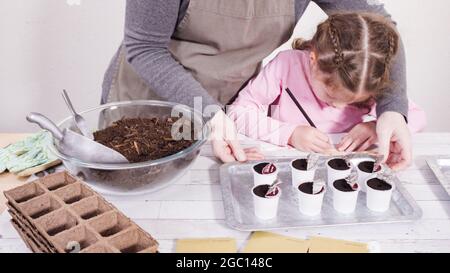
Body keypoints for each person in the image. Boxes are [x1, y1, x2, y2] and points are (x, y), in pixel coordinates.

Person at [102, 0, 415, 170]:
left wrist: (392, 110)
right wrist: (210, 113)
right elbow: (145, 49)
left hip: (225, 108)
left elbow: (379, 27)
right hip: (149, 103)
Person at [227, 13, 426, 157]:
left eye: (356, 102)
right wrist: (289, 134)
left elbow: (417, 117)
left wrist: (375, 126)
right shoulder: (287, 66)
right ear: (314, 60)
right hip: (288, 165)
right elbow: (238, 113)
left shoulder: (368, 79)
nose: (339, 107)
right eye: (332, 96)